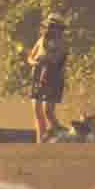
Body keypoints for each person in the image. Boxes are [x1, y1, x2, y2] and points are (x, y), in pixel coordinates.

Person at [27, 15, 69, 144]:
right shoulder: (41, 40)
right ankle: (40, 141)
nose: (51, 30)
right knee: (37, 110)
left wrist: (44, 60)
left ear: (60, 29)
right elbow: (30, 57)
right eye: (50, 27)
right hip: (38, 76)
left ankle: (65, 135)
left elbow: (57, 60)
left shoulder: (62, 42)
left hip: (53, 78)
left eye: (55, 27)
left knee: (48, 112)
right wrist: (34, 63)